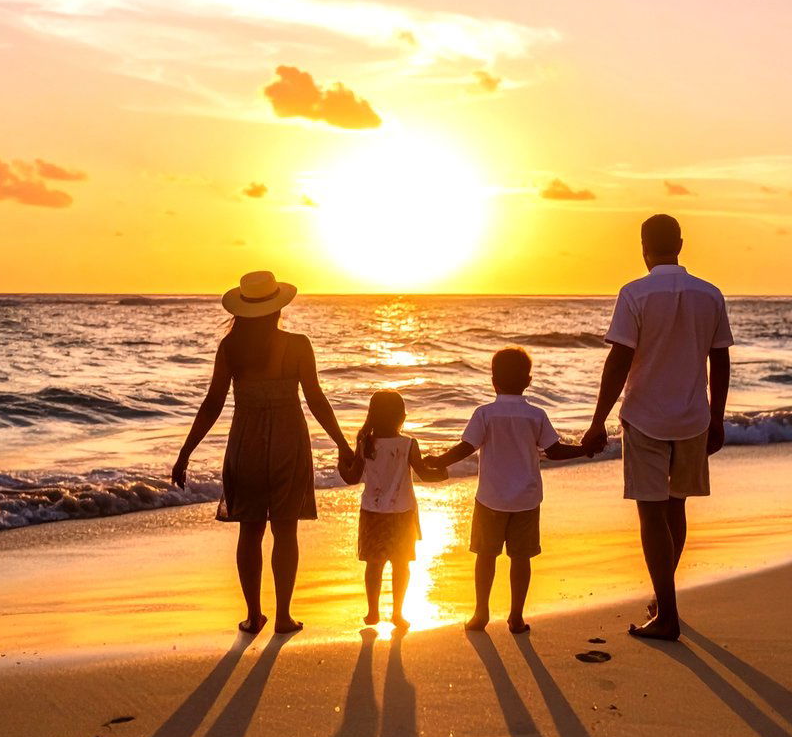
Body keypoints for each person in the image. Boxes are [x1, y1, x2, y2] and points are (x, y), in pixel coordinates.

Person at [171, 270, 352, 636]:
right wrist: (343, 443)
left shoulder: (231, 348)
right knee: (286, 530)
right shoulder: (298, 344)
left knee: (249, 531)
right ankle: (283, 617)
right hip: (289, 439)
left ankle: (253, 617)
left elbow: (212, 404)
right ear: (277, 308)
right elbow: (316, 398)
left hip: (246, 442)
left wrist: (185, 453)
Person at [582, 215, 732, 642]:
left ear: (643, 246)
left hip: (646, 416)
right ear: (680, 244)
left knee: (651, 514)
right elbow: (719, 359)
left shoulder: (635, 294)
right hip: (692, 418)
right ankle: (663, 601)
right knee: (675, 508)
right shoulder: (710, 294)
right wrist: (717, 415)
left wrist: (597, 421)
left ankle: (667, 613)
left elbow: (619, 360)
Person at [424, 347, 580, 635]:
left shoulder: (484, 414)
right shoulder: (536, 415)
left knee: (485, 556)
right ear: (529, 381)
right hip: (526, 499)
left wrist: (438, 461)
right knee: (521, 559)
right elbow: (554, 451)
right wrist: (585, 449)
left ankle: (481, 612)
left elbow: (466, 447)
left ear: (493, 381)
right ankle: (516, 616)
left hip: (490, 498)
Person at [340, 388, 447, 631]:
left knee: (374, 564)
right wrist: (442, 469)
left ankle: (373, 612)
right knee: (401, 565)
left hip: (372, 513)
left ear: (372, 416)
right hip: (403, 513)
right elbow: (424, 474)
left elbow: (351, 478)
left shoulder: (365, 443)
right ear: (402, 417)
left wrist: (340, 459)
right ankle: (398, 613)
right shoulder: (409, 444)